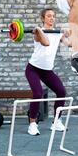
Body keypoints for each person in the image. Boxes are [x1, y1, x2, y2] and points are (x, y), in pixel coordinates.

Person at [25, 8, 71, 136]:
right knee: (38, 93)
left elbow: (70, 44)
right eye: (49, 16)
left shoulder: (58, 33)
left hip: (47, 71)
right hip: (33, 69)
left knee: (61, 91)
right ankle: (32, 124)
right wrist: (38, 30)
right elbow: (46, 43)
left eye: (53, 16)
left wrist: (76, 35)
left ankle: (56, 122)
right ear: (43, 18)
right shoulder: (38, 33)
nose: (52, 18)